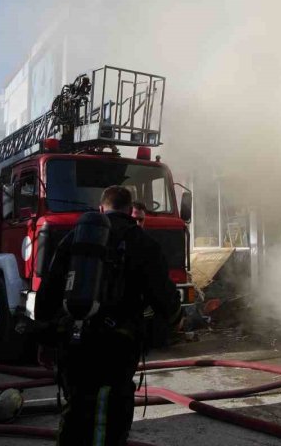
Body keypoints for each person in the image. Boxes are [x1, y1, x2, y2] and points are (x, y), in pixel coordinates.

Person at [35, 185, 180, 446]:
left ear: (101, 208)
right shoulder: (143, 243)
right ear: (130, 210)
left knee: (76, 409)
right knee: (109, 418)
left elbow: (47, 294)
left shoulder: (75, 239)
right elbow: (167, 301)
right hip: (117, 347)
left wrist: (46, 340)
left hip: (73, 342)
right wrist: (164, 326)